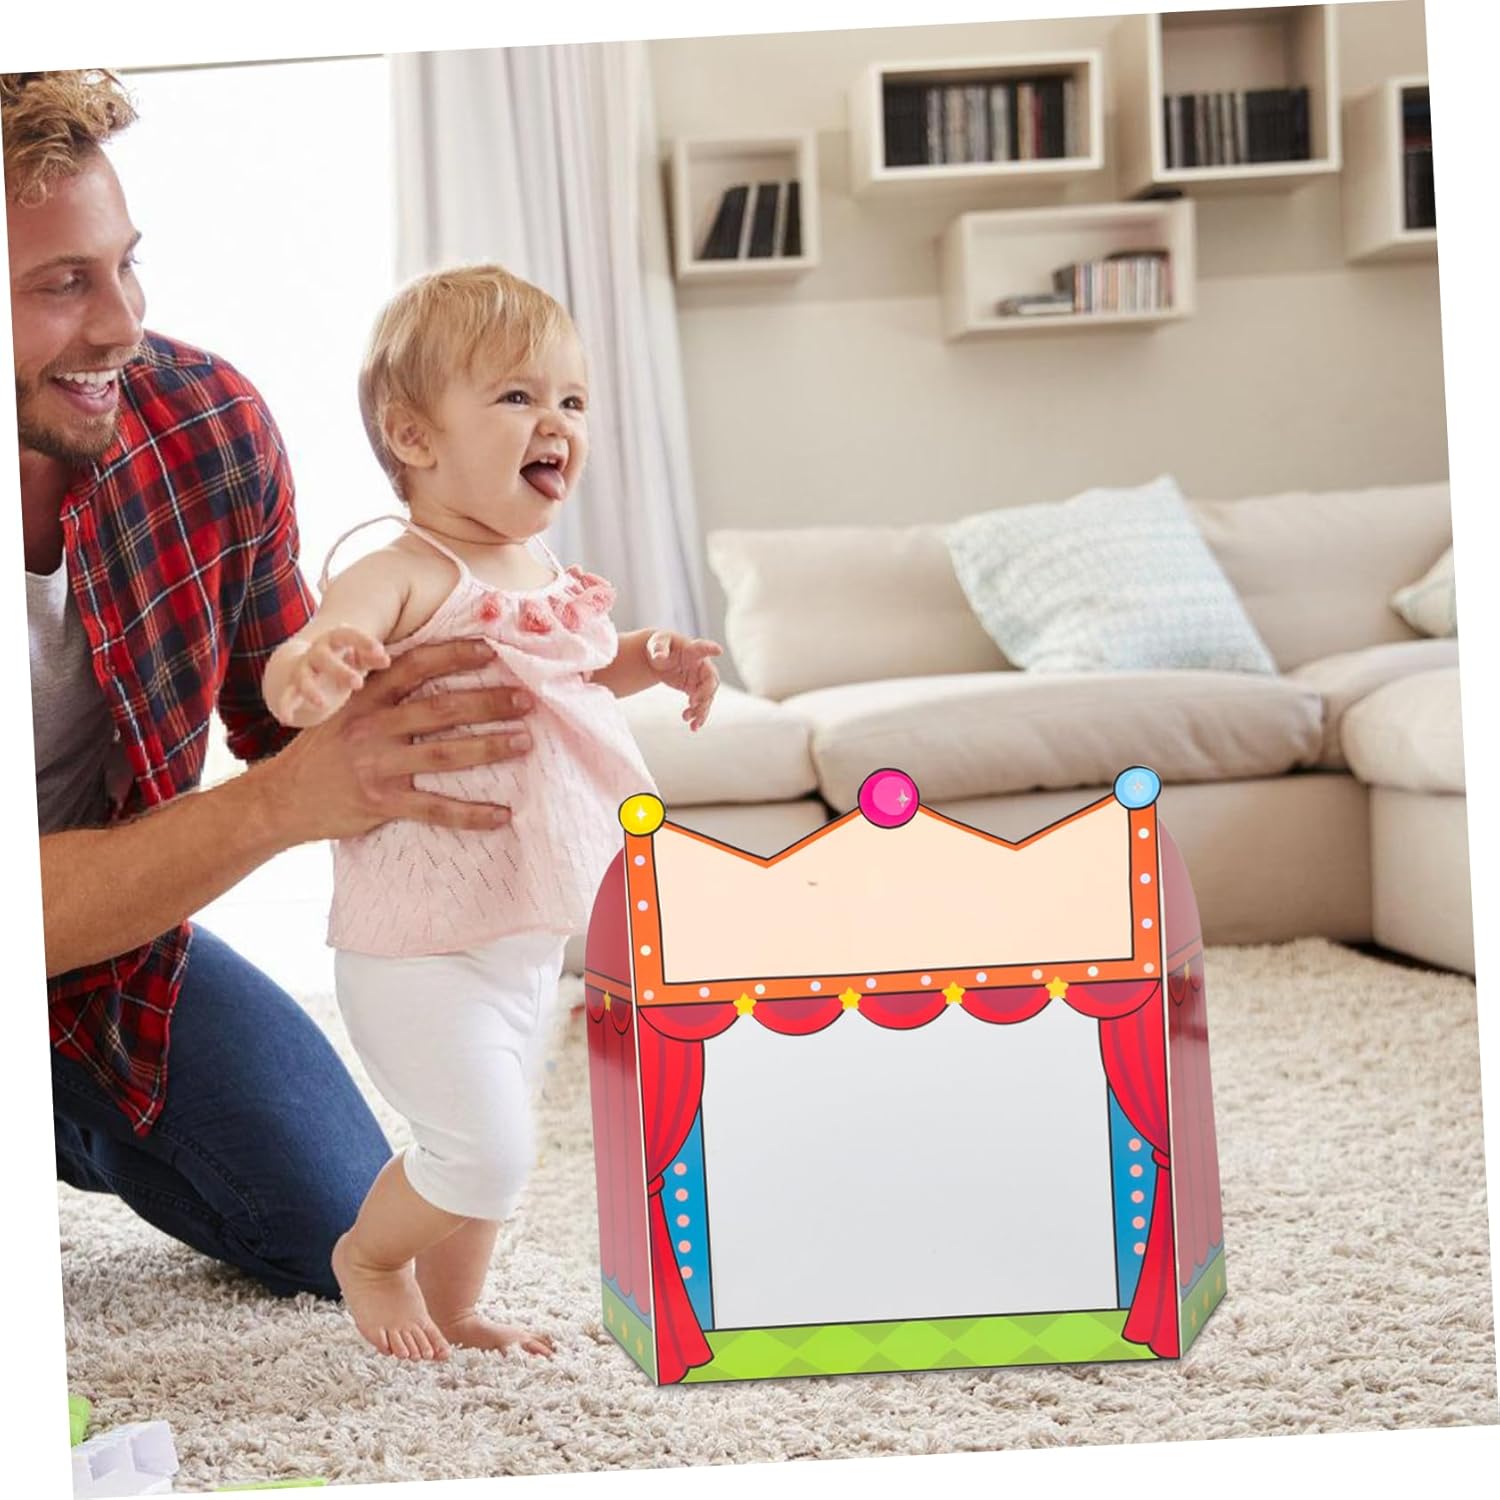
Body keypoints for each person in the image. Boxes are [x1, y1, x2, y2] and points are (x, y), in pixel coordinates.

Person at [8, 68, 539, 1301]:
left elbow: (289, 715)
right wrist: (284, 804)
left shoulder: (201, 424)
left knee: (339, 1219)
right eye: (61, 284)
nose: (121, 324)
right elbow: (286, 789)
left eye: (126, 264)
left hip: (106, 956)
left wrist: (452, 624)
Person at [261, 263, 721, 1361]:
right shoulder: (404, 570)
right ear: (414, 437)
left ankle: (459, 1309)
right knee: (485, 1150)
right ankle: (370, 1259)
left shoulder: (541, 571)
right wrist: (315, 671)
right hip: (419, 946)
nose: (556, 421)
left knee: (488, 1151)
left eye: (572, 399)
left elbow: (579, 672)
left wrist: (652, 656)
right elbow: (309, 649)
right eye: (518, 397)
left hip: (520, 937)